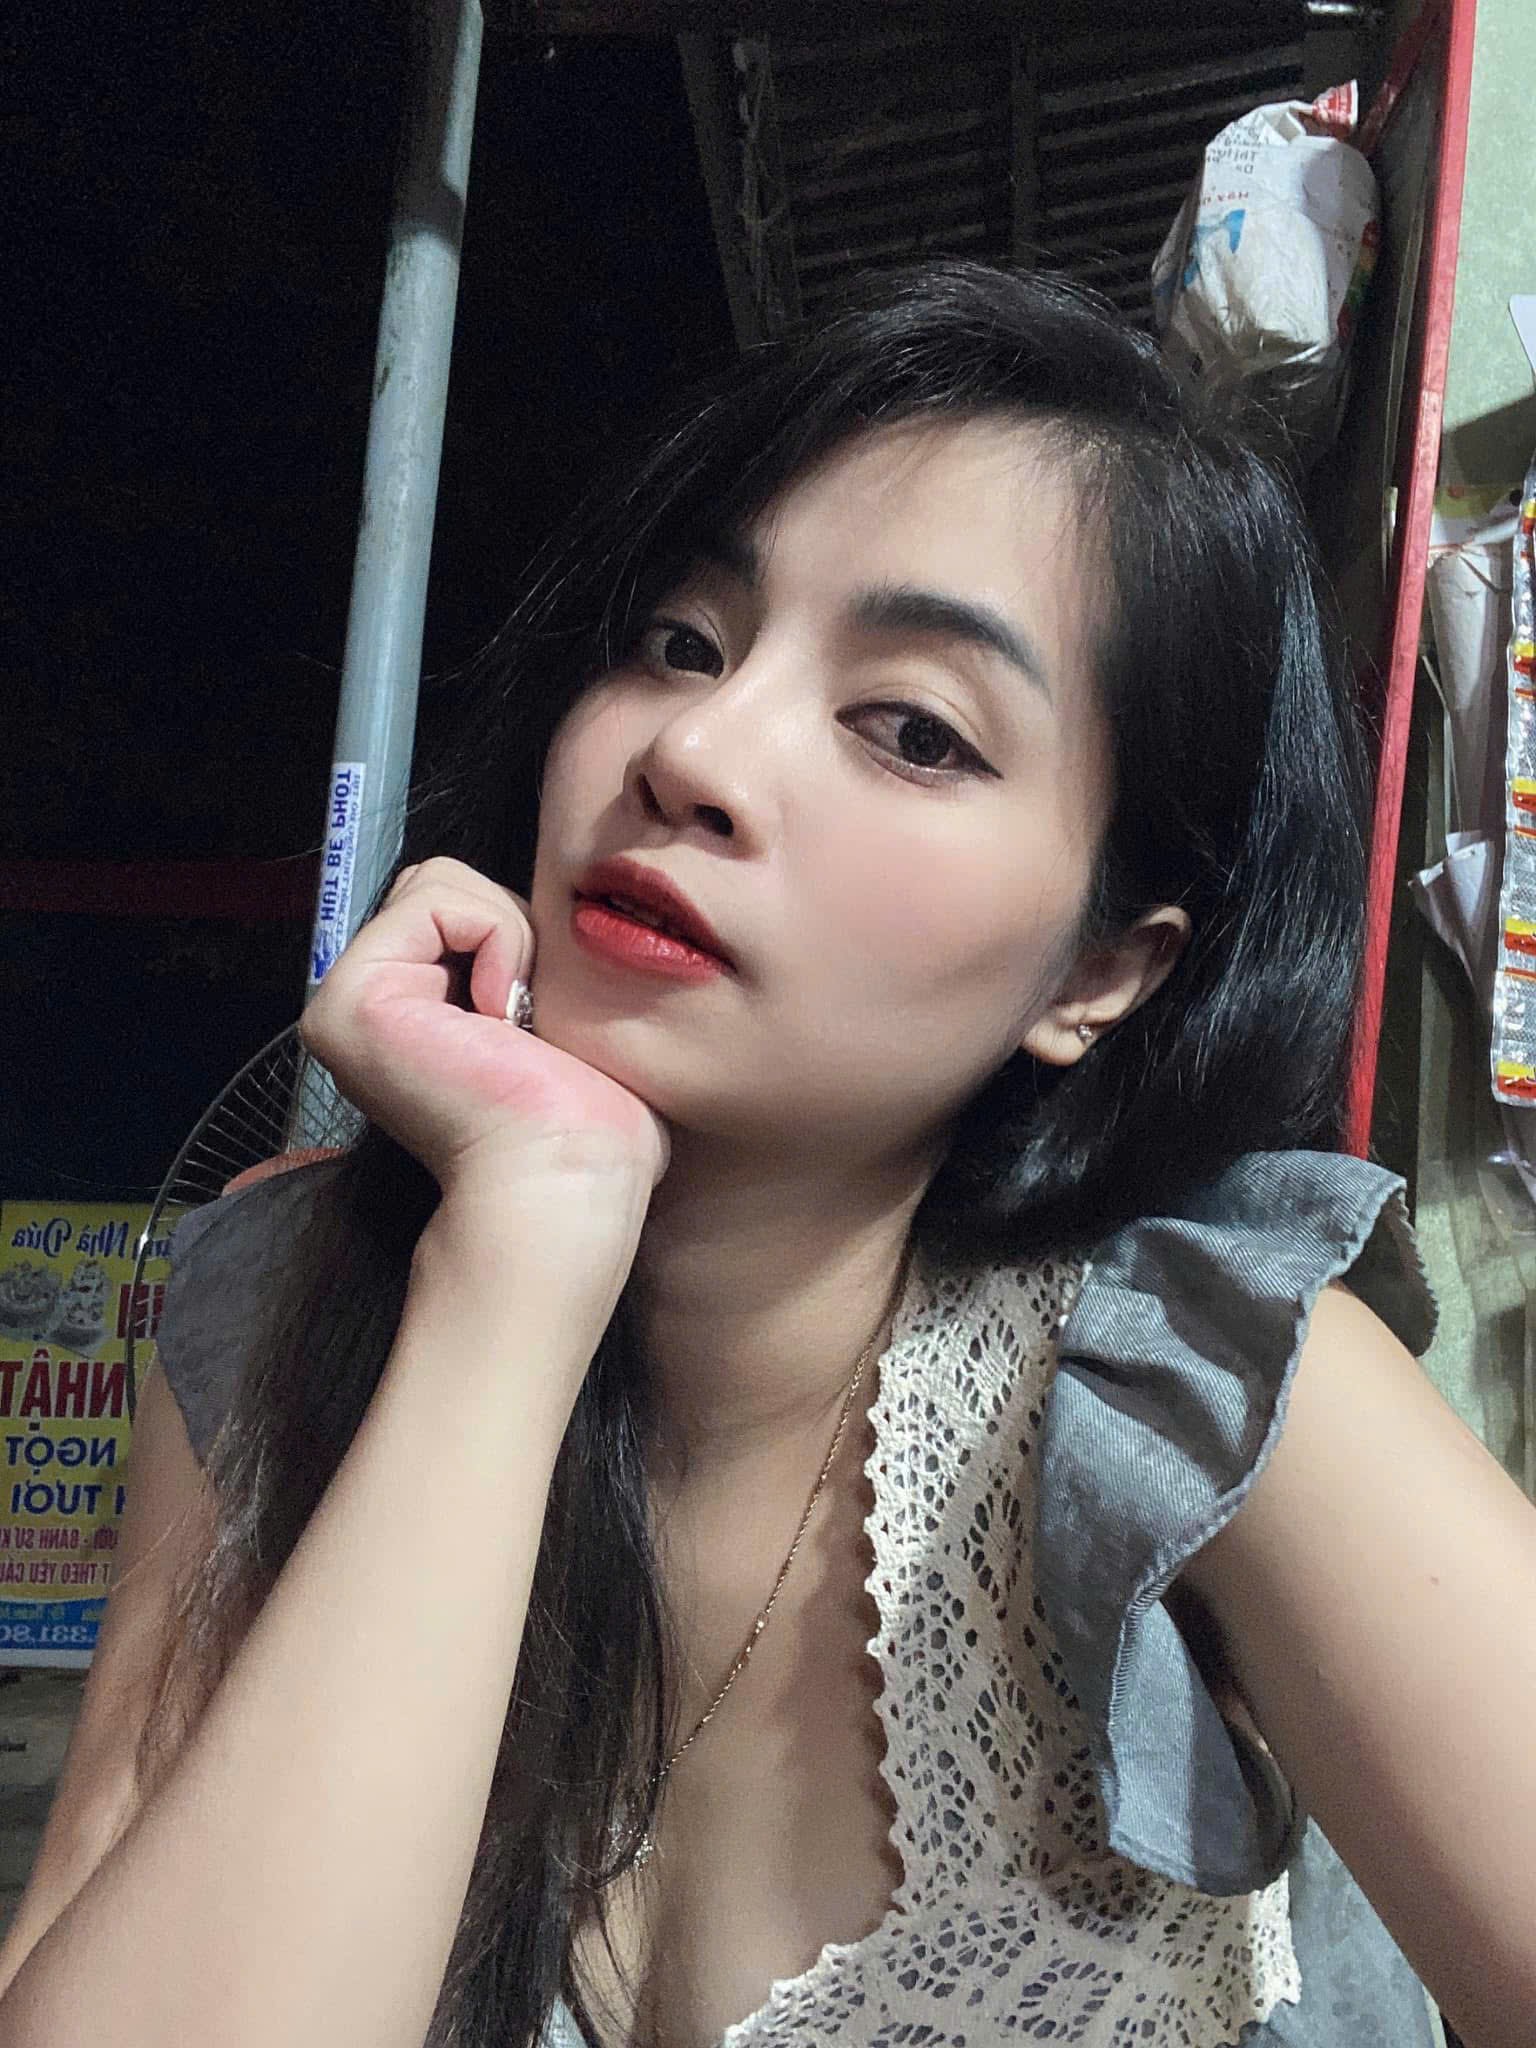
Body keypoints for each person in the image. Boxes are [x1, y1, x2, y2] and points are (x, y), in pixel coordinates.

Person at [0, 262, 1531, 2048]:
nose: (693, 751)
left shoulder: (1204, 1387)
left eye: (914, 730)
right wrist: (519, 1254)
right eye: (681, 642)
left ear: (1102, 975)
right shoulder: (276, 1303)